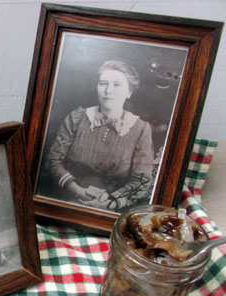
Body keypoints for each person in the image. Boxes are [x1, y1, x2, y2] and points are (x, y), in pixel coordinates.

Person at [44, 60, 154, 212]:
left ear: (129, 92)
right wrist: (76, 190)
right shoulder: (77, 117)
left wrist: (110, 202)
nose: (108, 90)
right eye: (103, 83)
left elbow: (141, 180)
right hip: (67, 200)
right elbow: (54, 160)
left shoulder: (140, 129)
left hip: (112, 208)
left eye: (117, 85)